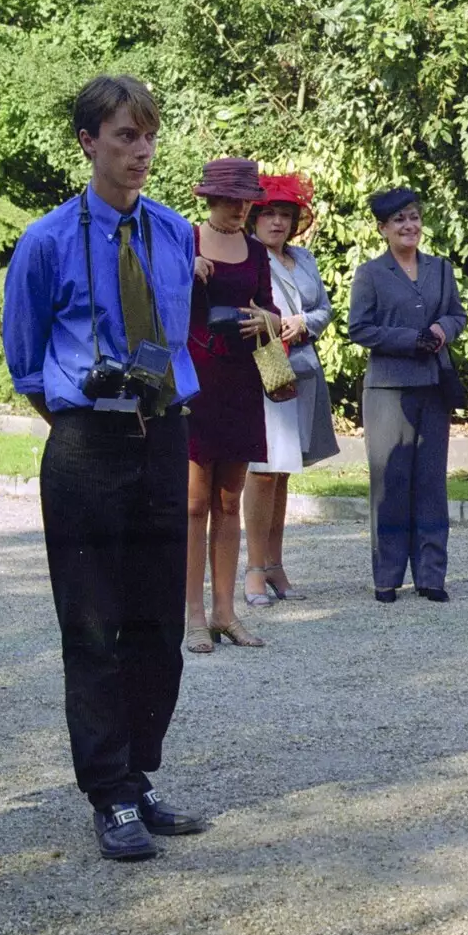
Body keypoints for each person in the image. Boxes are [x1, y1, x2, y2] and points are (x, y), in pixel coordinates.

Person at [2, 74, 207, 860]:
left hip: (164, 436)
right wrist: (89, 422)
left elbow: (179, 337)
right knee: (92, 626)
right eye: (125, 136)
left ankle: (139, 775)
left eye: (149, 135)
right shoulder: (46, 241)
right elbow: (26, 362)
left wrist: (150, 422)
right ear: (88, 141)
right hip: (88, 444)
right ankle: (107, 792)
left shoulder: (173, 231)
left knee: (158, 624)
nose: (142, 150)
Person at [347, 187, 466, 603]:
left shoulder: (441, 269)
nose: (409, 226)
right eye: (399, 220)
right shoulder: (371, 273)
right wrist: (409, 338)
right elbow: (359, 329)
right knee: (391, 482)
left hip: (433, 387)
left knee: (431, 482)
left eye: (414, 217)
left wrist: (442, 330)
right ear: (382, 228)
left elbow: (457, 313)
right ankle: (387, 576)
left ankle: (432, 575)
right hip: (388, 389)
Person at [183, 157, 279, 651]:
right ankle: (194, 616)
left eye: (247, 200)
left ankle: (226, 612)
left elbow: (271, 308)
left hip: (241, 379)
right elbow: (157, 303)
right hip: (198, 380)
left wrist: (267, 320)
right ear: (211, 199)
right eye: (232, 199)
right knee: (194, 503)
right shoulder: (185, 239)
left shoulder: (258, 252)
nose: (241, 207)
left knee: (228, 501)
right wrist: (185, 271)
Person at [242, 173, 340, 607]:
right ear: (255, 218)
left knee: (283, 473)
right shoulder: (246, 257)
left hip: (302, 365)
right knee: (263, 471)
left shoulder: (303, 259)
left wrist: (304, 323)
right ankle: (253, 570)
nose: (277, 222)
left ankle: (276, 563)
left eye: (285, 214)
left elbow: (324, 307)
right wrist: (272, 324)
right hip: (265, 366)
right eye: (269, 214)